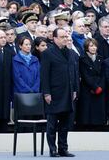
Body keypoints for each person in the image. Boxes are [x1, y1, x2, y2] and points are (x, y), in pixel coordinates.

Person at [41, 28, 78, 157]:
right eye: (62, 37)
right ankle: (53, 149)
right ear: (55, 38)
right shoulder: (47, 53)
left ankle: (63, 148)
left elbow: (74, 73)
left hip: (68, 93)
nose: (65, 39)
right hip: (54, 93)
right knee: (52, 125)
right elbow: (44, 75)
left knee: (65, 124)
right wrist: (46, 93)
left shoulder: (71, 53)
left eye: (66, 37)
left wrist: (74, 90)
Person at [77, 38, 105, 128]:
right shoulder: (82, 59)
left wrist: (100, 87)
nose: (94, 48)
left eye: (95, 46)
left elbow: (103, 75)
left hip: (99, 89)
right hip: (88, 89)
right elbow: (85, 75)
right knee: (87, 110)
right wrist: (94, 87)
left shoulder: (100, 58)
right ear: (86, 47)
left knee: (98, 112)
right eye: (91, 46)